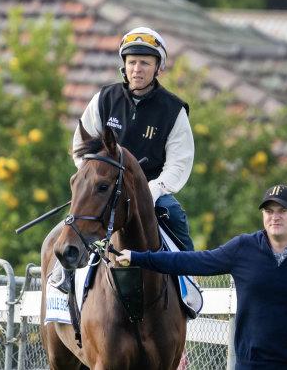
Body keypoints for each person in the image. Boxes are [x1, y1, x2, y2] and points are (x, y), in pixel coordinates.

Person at [116, 185, 287, 370]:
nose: (274, 216)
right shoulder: (243, 248)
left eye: (282, 211)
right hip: (250, 364)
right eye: (269, 211)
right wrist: (140, 258)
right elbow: (193, 260)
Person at [49, 27, 195, 292]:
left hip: (152, 189)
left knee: (176, 217)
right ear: (124, 66)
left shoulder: (173, 110)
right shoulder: (104, 99)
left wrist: (155, 189)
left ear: (157, 67)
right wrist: (93, 180)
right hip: (103, 186)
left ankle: (189, 280)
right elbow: (81, 146)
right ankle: (63, 273)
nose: (137, 69)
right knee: (72, 222)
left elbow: (179, 162)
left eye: (144, 63)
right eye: (132, 63)